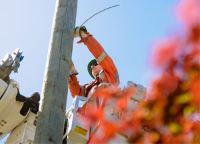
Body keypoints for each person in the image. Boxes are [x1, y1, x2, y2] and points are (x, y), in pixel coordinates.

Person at [69, 26, 120, 98]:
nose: (92, 67)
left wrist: (86, 37)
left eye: (95, 64)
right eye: (90, 69)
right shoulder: (89, 88)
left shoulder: (111, 75)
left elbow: (100, 54)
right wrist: (71, 73)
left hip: (107, 107)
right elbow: (77, 93)